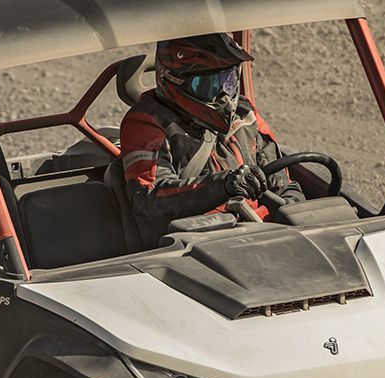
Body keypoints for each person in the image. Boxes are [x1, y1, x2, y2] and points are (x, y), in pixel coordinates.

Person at [120, 32, 304, 241]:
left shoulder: (245, 115)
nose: (224, 95)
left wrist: (292, 209)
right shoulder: (147, 122)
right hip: (195, 243)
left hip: (261, 234)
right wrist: (223, 185)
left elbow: (284, 184)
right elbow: (149, 198)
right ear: (176, 81)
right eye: (209, 85)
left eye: (229, 81)